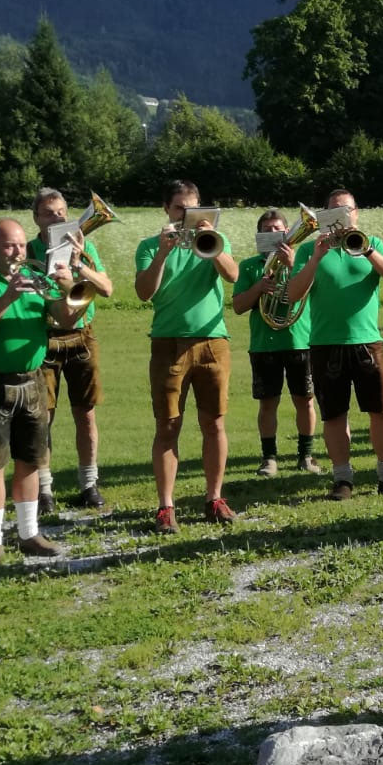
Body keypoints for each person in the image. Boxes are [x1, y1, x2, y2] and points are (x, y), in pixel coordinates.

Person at [0, 218, 80, 566]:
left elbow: (68, 319)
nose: (18, 252)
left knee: (30, 461)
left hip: (32, 379)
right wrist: (9, 295)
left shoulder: (37, 282)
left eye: (22, 245)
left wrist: (69, 285)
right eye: (10, 245)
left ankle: (29, 534)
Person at [286, 188, 383, 502]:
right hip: (326, 344)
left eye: (347, 211)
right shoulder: (310, 249)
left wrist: (366, 249)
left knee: (381, 411)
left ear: (356, 213)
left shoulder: (373, 243)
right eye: (333, 211)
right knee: (334, 414)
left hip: (367, 342)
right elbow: (293, 294)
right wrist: (316, 257)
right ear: (325, 216)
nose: (342, 217)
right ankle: (342, 478)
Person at [134, 179, 239, 533]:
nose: (186, 215)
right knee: (167, 426)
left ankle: (214, 497)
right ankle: (166, 506)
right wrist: (163, 252)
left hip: (213, 341)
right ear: (166, 209)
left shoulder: (211, 242)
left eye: (193, 209)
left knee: (215, 423)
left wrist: (210, 242)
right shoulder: (149, 246)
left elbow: (233, 274)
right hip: (168, 342)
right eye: (180, 208)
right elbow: (144, 292)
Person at [28, 188, 114, 512]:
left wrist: (79, 266)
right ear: (36, 218)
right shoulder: (29, 252)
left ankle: (89, 485)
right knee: (42, 418)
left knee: (86, 415)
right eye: (50, 212)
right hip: (46, 338)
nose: (58, 217)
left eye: (62, 211)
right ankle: (44, 490)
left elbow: (105, 288)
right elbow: (45, 303)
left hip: (82, 335)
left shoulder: (85, 246)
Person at [232, 209, 321, 478]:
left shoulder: (303, 259)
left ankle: (306, 455)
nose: (272, 234)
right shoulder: (249, 266)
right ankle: (269, 458)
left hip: (299, 340)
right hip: (264, 344)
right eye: (266, 229)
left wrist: (294, 264)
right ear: (259, 234)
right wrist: (258, 288)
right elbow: (238, 306)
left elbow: (315, 290)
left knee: (305, 400)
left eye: (278, 229)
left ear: (287, 233)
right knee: (267, 403)